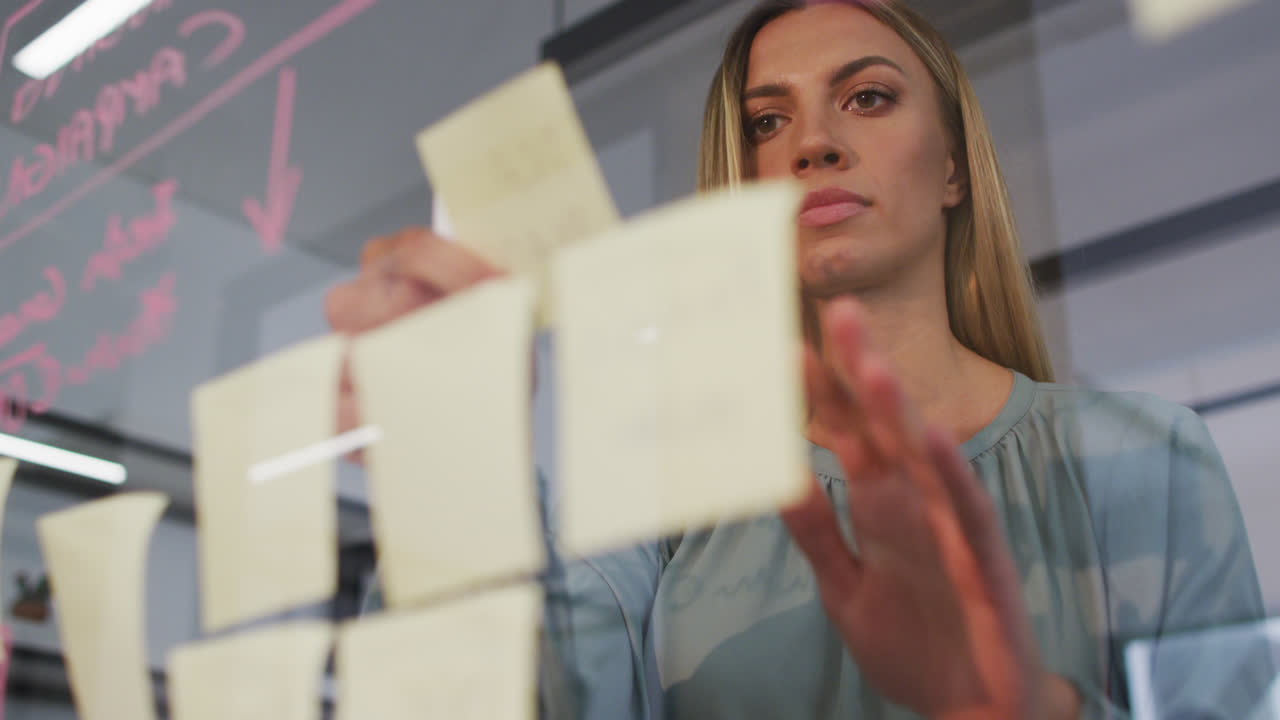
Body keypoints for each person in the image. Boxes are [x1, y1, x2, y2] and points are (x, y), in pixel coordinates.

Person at [324, 1, 1270, 717]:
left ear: (951, 167)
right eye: (767, 122)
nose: (814, 143)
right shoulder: (657, 490)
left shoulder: (1145, 458)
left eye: (867, 98)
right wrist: (452, 486)